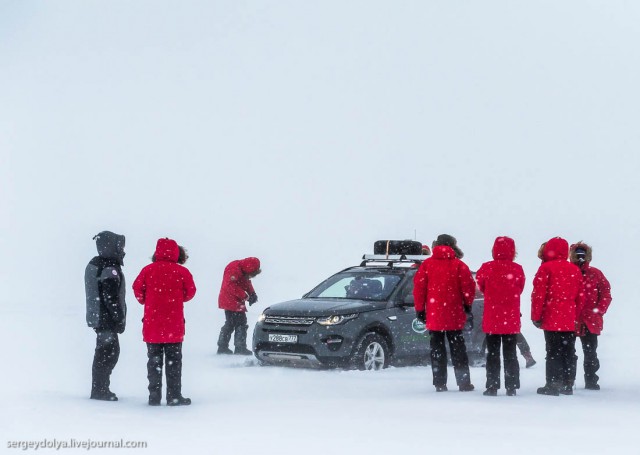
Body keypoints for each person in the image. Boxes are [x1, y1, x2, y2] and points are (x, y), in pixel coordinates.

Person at [133, 238, 197, 406]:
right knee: (174, 362)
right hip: (173, 325)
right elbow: (191, 292)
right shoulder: (181, 272)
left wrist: (147, 300)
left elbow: (137, 288)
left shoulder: (147, 270)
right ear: (176, 253)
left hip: (152, 324)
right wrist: (177, 299)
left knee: (153, 361)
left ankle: (154, 396)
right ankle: (174, 396)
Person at [413, 234, 476, 392]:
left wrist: (420, 309)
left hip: (435, 316)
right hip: (455, 314)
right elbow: (468, 289)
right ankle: (463, 382)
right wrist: (467, 306)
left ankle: (440, 383)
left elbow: (419, 290)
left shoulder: (427, 265)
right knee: (458, 350)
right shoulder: (459, 265)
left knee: (437, 350)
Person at [531, 237, 584, 396]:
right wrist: (575, 315)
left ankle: (553, 384)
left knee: (553, 351)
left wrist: (536, 316)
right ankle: (568, 383)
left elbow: (538, 295)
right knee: (568, 350)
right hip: (568, 316)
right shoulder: (574, 269)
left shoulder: (546, 268)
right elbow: (580, 297)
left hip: (551, 316)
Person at [476, 236, 525, 396]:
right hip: (510, 317)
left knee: (492, 353)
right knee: (510, 353)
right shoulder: (517, 269)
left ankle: (492, 386)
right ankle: (511, 386)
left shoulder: (486, 267)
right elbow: (520, 288)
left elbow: (481, 286)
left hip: (492, 317)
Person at [85, 231, 127, 401]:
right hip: (106, 319)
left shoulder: (96, 264)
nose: (123, 251)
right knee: (108, 353)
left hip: (99, 316)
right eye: (120, 247)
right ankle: (100, 389)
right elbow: (110, 297)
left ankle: (100, 388)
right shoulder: (109, 267)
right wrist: (118, 317)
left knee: (105, 352)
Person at [569, 242, 612, 390]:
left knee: (589, 353)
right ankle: (571, 380)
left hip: (586, 320)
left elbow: (606, 294)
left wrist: (599, 310)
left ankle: (590, 380)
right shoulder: (569, 272)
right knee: (571, 352)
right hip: (573, 318)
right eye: (577, 254)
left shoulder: (595, 273)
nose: (580, 258)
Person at [217, 257, 261, 355]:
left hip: (235, 300)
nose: (250, 276)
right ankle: (239, 347)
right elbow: (230, 286)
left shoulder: (243, 270)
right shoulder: (233, 268)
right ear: (249, 269)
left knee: (231, 323)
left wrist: (252, 293)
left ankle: (223, 346)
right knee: (240, 323)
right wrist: (246, 296)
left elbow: (246, 282)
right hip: (229, 300)